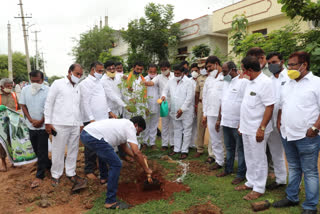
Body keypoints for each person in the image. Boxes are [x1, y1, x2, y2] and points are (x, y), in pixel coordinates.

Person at [273, 52, 320, 214]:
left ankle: (310, 206)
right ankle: (292, 197)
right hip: (287, 133)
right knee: (293, 167)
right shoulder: (289, 83)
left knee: (310, 171)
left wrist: (315, 127)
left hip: (307, 136)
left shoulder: (316, 83)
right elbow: (282, 105)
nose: (289, 68)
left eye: (293, 65)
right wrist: (280, 122)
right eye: (289, 65)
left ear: (304, 65)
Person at [80, 116, 152, 210]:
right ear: (136, 125)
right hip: (93, 136)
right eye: (139, 131)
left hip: (87, 133)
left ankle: (104, 179)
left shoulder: (123, 124)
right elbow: (136, 152)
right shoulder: (130, 127)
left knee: (105, 152)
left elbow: (125, 148)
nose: (138, 134)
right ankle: (110, 202)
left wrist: (139, 157)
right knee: (116, 164)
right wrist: (147, 169)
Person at [236, 56, 275, 200]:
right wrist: (241, 123)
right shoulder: (249, 82)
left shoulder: (265, 82)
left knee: (259, 158)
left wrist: (262, 128)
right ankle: (250, 181)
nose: (242, 72)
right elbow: (246, 105)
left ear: (250, 70)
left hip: (258, 128)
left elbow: (269, 107)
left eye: (243, 69)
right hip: (247, 127)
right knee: (249, 157)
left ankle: (259, 188)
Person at [44, 63, 87, 189]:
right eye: (76, 74)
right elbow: (49, 103)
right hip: (60, 124)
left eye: (80, 74)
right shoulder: (58, 84)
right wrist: (48, 122)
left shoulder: (78, 87)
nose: (78, 76)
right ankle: (56, 175)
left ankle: (71, 172)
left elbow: (78, 107)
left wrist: (80, 123)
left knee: (74, 150)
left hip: (74, 124)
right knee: (58, 150)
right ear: (69, 72)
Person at [79, 61, 116, 182]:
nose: (101, 73)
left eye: (102, 71)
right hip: (91, 119)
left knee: (102, 143)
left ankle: (102, 166)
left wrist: (109, 112)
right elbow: (85, 102)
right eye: (99, 71)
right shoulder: (85, 84)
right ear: (92, 70)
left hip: (102, 118)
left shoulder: (99, 83)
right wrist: (91, 119)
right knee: (90, 145)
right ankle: (89, 169)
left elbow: (103, 100)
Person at [215, 61, 248, 184]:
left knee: (240, 149)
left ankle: (241, 173)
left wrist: (242, 122)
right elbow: (222, 102)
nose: (223, 74)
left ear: (233, 70)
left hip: (237, 122)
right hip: (226, 120)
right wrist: (219, 119)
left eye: (224, 71)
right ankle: (228, 169)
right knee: (229, 147)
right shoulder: (226, 82)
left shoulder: (243, 82)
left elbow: (246, 103)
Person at [19, 70, 51, 188]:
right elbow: (23, 105)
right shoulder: (25, 90)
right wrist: (31, 120)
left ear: (42, 80)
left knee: (42, 149)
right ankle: (49, 165)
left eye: (37, 81)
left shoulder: (48, 90)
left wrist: (41, 121)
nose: (35, 83)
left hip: (43, 125)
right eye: (32, 81)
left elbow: (49, 107)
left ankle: (40, 175)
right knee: (36, 149)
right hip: (31, 125)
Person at [264, 52, 288, 190]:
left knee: (292, 155)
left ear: (281, 61)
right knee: (276, 152)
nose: (271, 65)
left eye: (274, 62)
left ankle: (295, 183)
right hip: (272, 122)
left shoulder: (290, 77)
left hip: (287, 122)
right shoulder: (270, 80)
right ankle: (280, 180)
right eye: (269, 63)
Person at [161, 64, 194, 159]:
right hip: (175, 110)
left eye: (178, 73)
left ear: (183, 73)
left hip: (186, 111)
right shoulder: (171, 81)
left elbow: (189, 98)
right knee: (177, 130)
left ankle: (184, 151)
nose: (176, 75)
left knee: (187, 130)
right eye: (175, 73)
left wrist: (182, 109)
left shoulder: (189, 82)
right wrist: (163, 96)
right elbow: (165, 90)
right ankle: (176, 149)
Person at [144, 60, 174, 151]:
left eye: (165, 69)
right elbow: (151, 83)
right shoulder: (159, 77)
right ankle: (164, 144)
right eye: (162, 69)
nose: (163, 71)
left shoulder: (174, 75)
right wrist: (141, 82)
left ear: (169, 68)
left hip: (174, 103)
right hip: (163, 104)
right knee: (164, 124)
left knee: (173, 125)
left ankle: (172, 144)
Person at [202, 56, 225, 170]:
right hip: (211, 113)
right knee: (215, 139)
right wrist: (204, 114)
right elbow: (205, 97)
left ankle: (230, 161)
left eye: (210, 66)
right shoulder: (208, 79)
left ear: (216, 64)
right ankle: (219, 160)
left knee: (227, 139)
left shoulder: (226, 77)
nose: (208, 69)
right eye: (207, 67)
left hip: (224, 113)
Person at [0, 78, 19, 172]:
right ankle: (3, 162)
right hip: (1, 124)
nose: (10, 88)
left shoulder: (14, 94)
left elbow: (18, 107)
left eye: (11, 86)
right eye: (8, 86)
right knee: (2, 143)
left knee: (12, 142)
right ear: (1, 87)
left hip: (12, 122)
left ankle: (13, 161)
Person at [193, 61, 212, 161]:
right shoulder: (199, 78)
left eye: (204, 67)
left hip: (212, 104)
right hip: (201, 103)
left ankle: (211, 152)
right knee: (200, 126)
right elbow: (196, 93)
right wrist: (196, 106)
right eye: (200, 68)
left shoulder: (214, 77)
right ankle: (199, 149)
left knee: (213, 128)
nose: (202, 69)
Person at [142, 64, 160, 150]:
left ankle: (152, 143)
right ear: (147, 71)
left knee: (154, 124)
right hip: (147, 105)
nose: (152, 73)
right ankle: (145, 142)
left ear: (157, 71)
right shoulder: (144, 79)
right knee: (146, 124)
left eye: (154, 72)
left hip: (156, 105)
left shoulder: (159, 79)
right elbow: (142, 94)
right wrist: (145, 106)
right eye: (150, 72)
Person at [189, 63, 200, 149]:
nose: (194, 72)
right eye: (192, 71)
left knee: (198, 125)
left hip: (199, 105)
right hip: (190, 106)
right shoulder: (188, 81)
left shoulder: (202, 80)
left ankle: (196, 144)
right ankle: (190, 143)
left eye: (196, 71)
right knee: (189, 125)